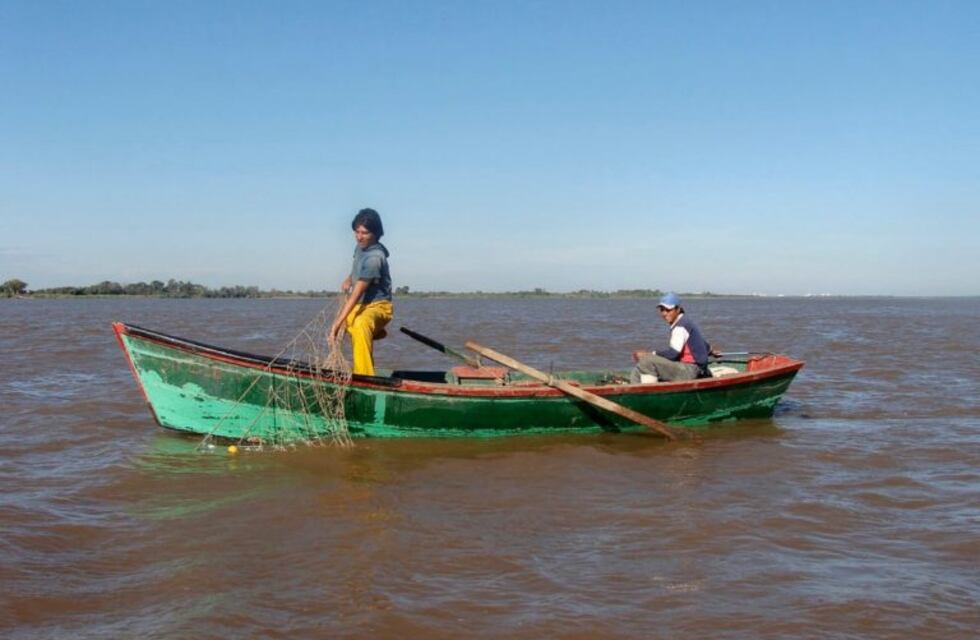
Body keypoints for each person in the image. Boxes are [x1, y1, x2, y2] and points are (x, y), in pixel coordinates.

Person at [329, 208, 393, 376]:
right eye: (356, 232)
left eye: (364, 233)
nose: (359, 236)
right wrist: (349, 279)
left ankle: (365, 377)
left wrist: (336, 324)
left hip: (379, 307)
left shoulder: (374, 258)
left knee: (359, 324)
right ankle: (376, 332)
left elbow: (356, 293)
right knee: (350, 319)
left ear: (376, 233)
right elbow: (357, 269)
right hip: (362, 304)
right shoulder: (360, 247)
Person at [630, 292, 716, 384]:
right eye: (662, 310)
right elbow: (702, 343)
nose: (664, 313)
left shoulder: (680, 326)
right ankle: (634, 389)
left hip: (690, 370)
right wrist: (711, 351)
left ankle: (649, 391)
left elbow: (673, 354)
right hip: (694, 368)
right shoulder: (686, 322)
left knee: (646, 360)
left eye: (668, 310)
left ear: (678, 309)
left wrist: (649, 354)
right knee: (637, 370)